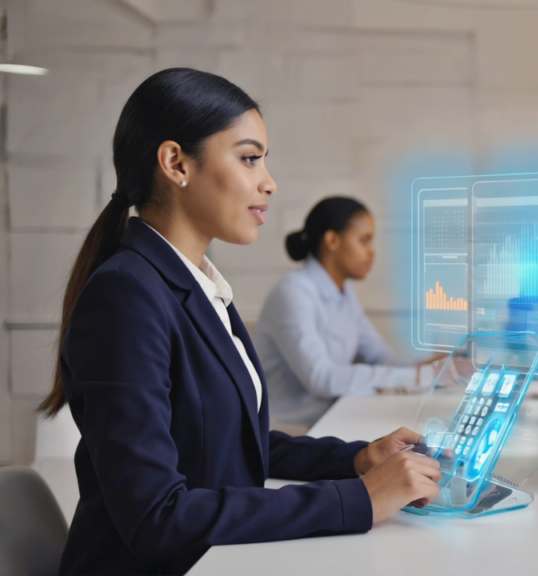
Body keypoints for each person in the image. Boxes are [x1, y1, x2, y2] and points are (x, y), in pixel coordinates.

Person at [39, 68, 441, 576]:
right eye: (250, 158)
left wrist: (356, 460)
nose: (268, 182)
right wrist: (356, 500)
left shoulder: (198, 285)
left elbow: (229, 443)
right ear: (175, 164)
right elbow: (155, 517)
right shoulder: (125, 295)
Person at [256, 197, 441, 429]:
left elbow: (380, 357)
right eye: (364, 240)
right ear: (332, 240)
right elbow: (321, 379)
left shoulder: (345, 294)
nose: (372, 251)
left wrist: (430, 366)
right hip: (288, 433)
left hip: (332, 419)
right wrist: (415, 377)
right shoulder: (293, 292)